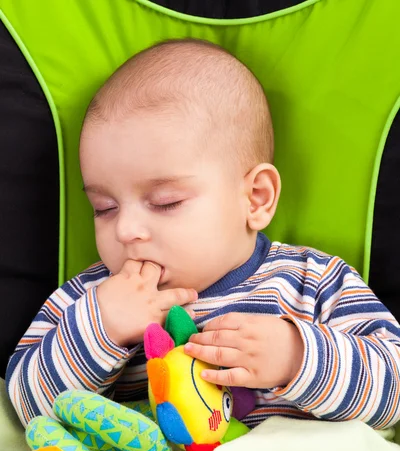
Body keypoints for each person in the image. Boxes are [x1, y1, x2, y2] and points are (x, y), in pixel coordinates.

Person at [6, 39, 400, 430]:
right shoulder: (90, 298)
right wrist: (100, 327)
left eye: (164, 202)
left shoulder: (312, 282)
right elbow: (27, 409)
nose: (125, 231)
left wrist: (297, 356)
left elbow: (394, 392)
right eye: (104, 208)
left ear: (255, 199)